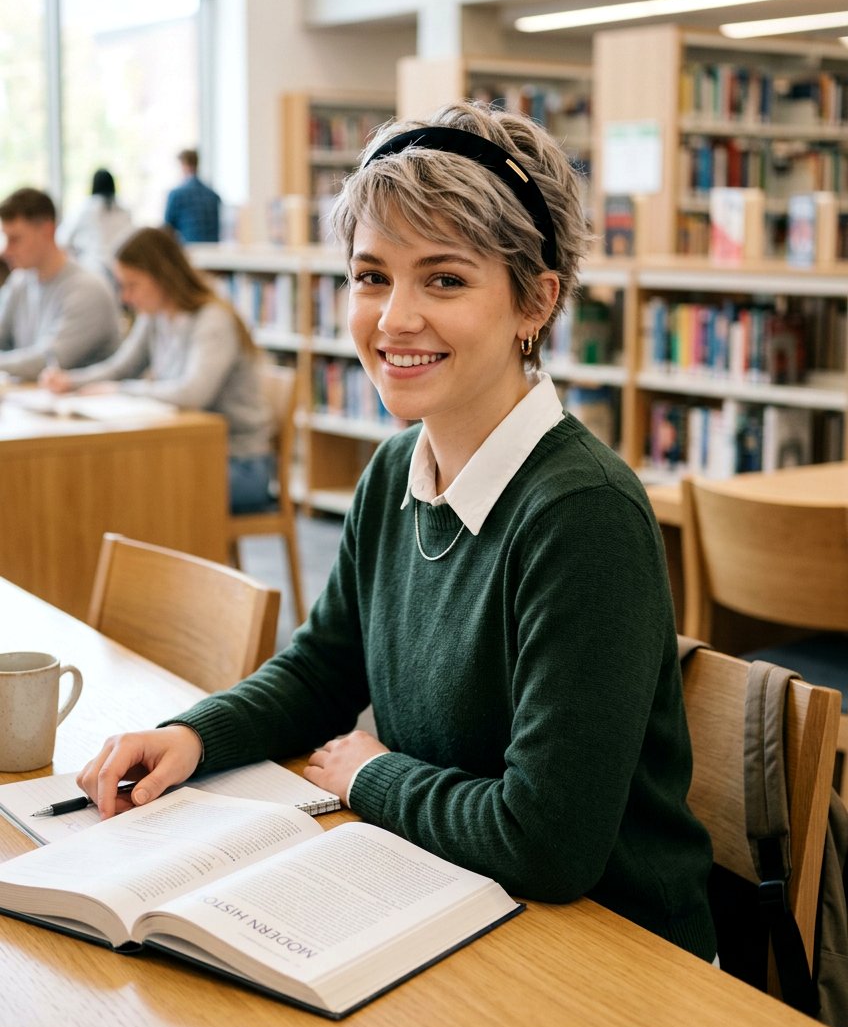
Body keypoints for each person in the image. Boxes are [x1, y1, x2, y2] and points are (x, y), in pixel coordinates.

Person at [77, 103, 717, 962]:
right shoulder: (395, 470)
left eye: (444, 280)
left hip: (617, 955)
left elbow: (548, 844)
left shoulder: (583, 513)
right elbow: (324, 666)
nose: (392, 320)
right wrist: (195, 736)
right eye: (371, 276)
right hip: (452, 892)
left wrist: (370, 775)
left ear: (536, 301)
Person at [41, 226, 273, 513]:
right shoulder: (155, 316)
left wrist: (121, 391)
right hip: (188, 451)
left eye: (132, 285)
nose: (125, 297)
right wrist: (70, 381)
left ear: (162, 277)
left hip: (240, 463)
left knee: (136, 491)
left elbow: (192, 394)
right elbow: (120, 367)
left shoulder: (212, 319)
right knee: (113, 482)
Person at [0, 187, 121, 380]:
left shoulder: (87, 289)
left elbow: (48, 360)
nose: (6, 250)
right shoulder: (19, 282)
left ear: (47, 230)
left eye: (15, 239)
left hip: (80, 404)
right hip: (34, 400)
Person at [57, 168, 133, 281]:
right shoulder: (125, 210)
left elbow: (61, 240)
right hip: (121, 272)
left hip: (94, 272)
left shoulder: (84, 209)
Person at [164, 148, 221, 243]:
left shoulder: (177, 194)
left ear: (184, 165)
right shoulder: (213, 195)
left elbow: (168, 228)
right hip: (213, 250)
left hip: (189, 249)